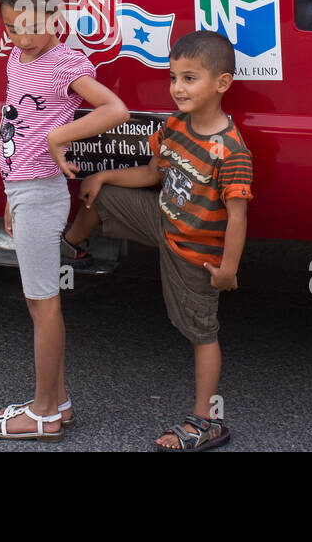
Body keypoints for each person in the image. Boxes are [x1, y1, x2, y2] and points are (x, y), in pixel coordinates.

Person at [62, 30, 252, 450]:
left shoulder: (231, 151)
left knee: (201, 333)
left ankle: (206, 421)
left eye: (189, 78)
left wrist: (228, 270)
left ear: (221, 83)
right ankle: (71, 246)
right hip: (162, 220)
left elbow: (237, 217)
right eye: (173, 78)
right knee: (102, 195)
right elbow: (152, 175)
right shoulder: (175, 126)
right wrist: (105, 174)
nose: (177, 88)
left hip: (196, 254)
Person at [0, 0, 128, 441]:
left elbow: (114, 109)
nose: (22, 39)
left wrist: (58, 135)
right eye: (11, 28)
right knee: (38, 302)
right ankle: (57, 402)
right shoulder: (16, 60)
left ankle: (43, 414)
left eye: (33, 28)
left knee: (43, 305)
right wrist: (10, 195)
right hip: (24, 192)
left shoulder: (65, 62)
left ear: (57, 18)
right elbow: (15, 123)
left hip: (44, 195)